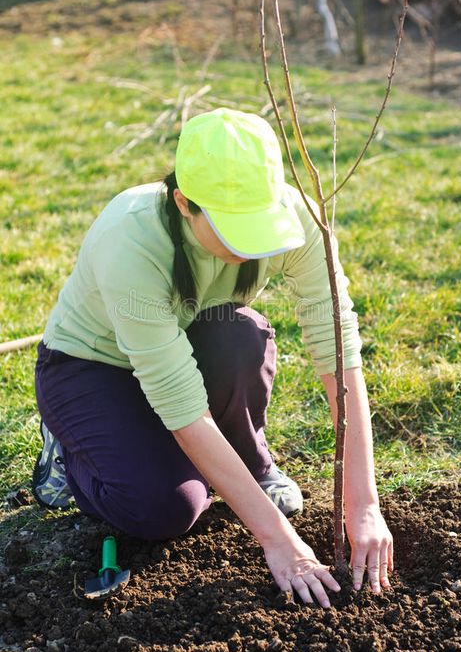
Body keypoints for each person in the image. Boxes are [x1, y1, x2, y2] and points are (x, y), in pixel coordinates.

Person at [32, 107, 393, 608]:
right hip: (92, 367)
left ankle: (248, 463)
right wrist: (280, 541)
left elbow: (340, 353)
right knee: (166, 508)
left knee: (239, 337)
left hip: (191, 340)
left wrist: (364, 505)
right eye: (231, 228)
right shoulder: (131, 239)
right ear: (184, 203)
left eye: (258, 224)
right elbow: (179, 401)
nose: (249, 245)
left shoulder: (298, 219)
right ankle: (73, 451)